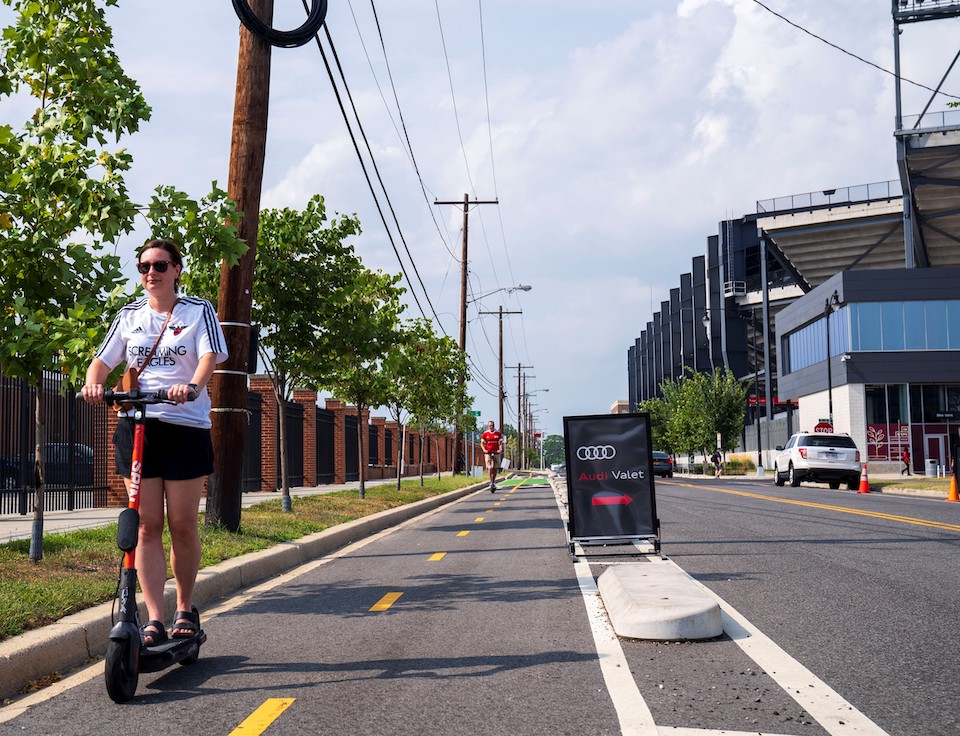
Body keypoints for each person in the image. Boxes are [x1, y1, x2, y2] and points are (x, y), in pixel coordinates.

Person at [81, 239, 227, 646]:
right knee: (146, 526)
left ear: (177, 269)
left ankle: (184, 608)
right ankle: (154, 617)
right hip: (138, 425)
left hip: (184, 426)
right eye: (144, 266)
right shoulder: (129, 315)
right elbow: (103, 360)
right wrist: (94, 384)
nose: (151, 273)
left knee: (181, 523)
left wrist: (193, 388)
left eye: (160, 265)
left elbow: (208, 358)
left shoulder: (198, 311)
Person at [480, 420, 504, 492]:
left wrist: (500, 449)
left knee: (495, 467)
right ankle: (491, 481)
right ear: (488, 426)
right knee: (490, 467)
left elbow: (500, 443)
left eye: (492, 426)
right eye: (490, 426)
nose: (491, 427)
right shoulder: (485, 434)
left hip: (496, 452)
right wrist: (484, 450)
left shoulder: (498, 434)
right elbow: (482, 443)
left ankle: (494, 481)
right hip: (488, 452)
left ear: (494, 426)